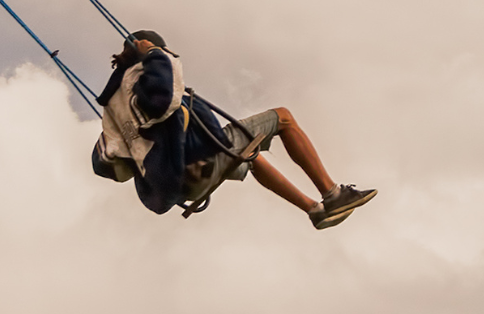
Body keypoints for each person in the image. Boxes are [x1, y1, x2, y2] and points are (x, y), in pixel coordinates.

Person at [91, 30, 375, 229]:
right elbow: (162, 100)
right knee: (284, 118)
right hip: (196, 161)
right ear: (145, 48)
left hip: (179, 185)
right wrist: (154, 54)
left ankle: (314, 210)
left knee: (250, 153)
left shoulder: (114, 109)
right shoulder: (142, 75)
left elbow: (109, 164)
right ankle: (333, 194)